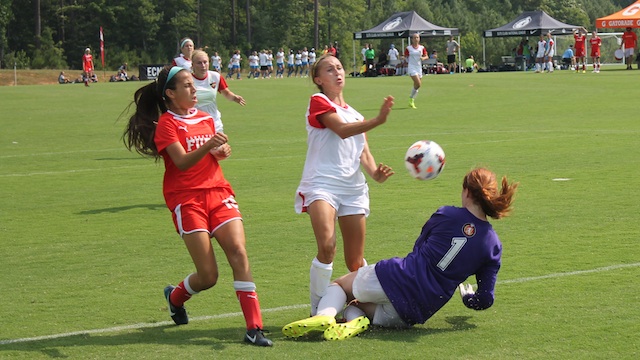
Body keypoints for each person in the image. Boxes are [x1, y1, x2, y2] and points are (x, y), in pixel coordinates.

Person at [122, 65, 273, 347]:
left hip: (218, 192)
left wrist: (221, 151)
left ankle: (255, 328)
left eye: (194, 84)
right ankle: (176, 297)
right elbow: (181, 161)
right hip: (187, 200)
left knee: (239, 252)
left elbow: (211, 154)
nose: (194, 90)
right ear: (170, 93)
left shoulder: (205, 118)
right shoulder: (167, 124)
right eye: (187, 86)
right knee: (208, 275)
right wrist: (208, 147)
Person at [283, 167, 519, 341]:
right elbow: (485, 299)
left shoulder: (447, 214)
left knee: (341, 287)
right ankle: (355, 322)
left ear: (466, 191)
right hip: (416, 311)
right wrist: (469, 298)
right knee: (356, 304)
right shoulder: (493, 245)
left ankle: (323, 315)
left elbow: (419, 246)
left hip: (399, 276)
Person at [294, 54, 395, 317]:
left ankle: (360, 303)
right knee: (327, 247)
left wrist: (376, 174)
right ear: (319, 80)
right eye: (330, 69)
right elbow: (341, 129)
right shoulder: (318, 102)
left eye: (339, 68)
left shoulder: (355, 114)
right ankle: (317, 311)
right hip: (322, 184)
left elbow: (365, 155)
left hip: (353, 189)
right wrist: (377, 120)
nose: (338, 72)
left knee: (354, 261)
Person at [191, 49, 246, 134]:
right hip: (194, 123)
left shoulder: (215, 77)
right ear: (192, 65)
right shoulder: (187, 79)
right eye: (199, 63)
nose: (203, 65)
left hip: (214, 122)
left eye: (205, 62)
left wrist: (234, 97)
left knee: (221, 147)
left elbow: (226, 93)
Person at [405, 33, 429, 109]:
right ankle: (411, 99)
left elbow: (426, 56)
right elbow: (405, 56)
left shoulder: (422, 48)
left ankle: (411, 100)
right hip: (412, 67)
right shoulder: (408, 48)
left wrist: (423, 58)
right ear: (412, 39)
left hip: (419, 68)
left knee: (417, 86)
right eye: (414, 38)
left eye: (417, 37)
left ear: (419, 39)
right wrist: (405, 60)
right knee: (418, 83)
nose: (416, 39)